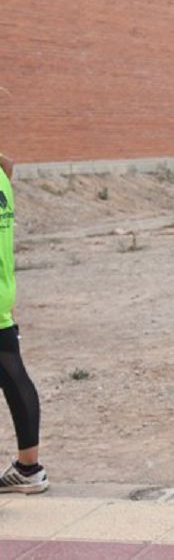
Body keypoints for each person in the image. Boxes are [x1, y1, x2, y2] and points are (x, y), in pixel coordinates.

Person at [0, 152, 49, 495]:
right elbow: (8, 163)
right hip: (3, 292)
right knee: (13, 373)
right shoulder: (2, 176)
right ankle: (28, 467)